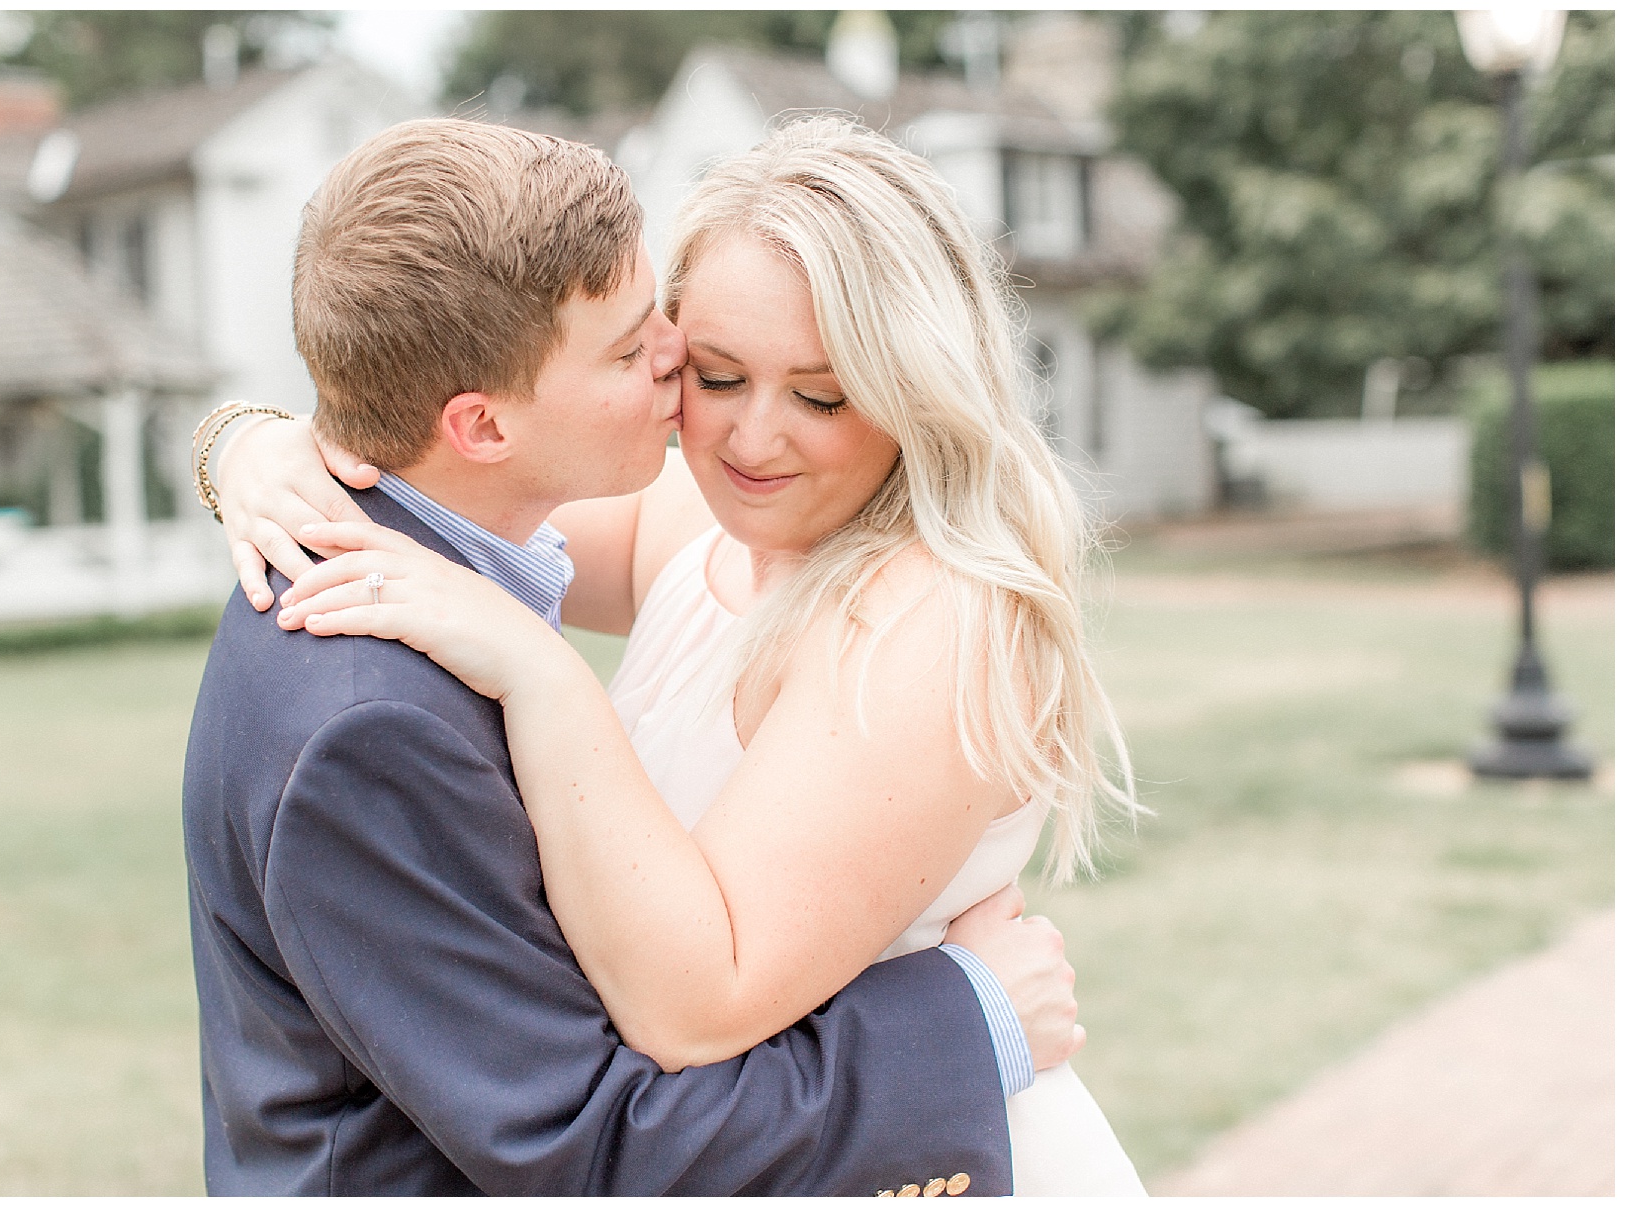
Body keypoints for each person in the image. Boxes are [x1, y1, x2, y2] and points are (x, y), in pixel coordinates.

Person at [213, 116, 1145, 1195]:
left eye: (822, 395)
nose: (753, 440)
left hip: (911, 1163)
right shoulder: (703, 529)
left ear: (917, 387)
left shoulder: (923, 616)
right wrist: (252, 442)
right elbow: (457, 485)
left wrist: (546, 675)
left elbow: (693, 1008)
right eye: (713, 374)